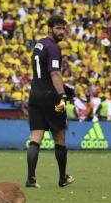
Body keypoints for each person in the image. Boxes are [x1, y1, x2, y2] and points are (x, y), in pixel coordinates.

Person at [26, 16, 75, 188]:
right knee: (60, 138)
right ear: (50, 28)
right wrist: (62, 95)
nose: (62, 32)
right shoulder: (54, 48)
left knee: (35, 138)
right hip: (50, 97)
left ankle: (31, 179)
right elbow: (54, 73)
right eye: (58, 28)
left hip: (35, 95)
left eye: (63, 28)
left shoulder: (39, 44)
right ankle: (62, 178)